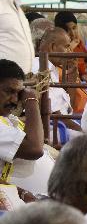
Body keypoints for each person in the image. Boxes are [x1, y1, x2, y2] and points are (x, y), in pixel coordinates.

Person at [0, 59, 55, 195]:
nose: (14, 100)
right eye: (9, 91)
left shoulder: (9, 119)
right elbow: (35, 149)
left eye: (18, 93)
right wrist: (31, 101)